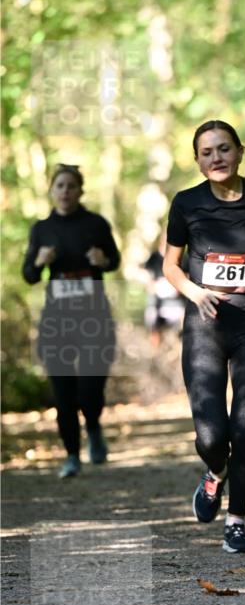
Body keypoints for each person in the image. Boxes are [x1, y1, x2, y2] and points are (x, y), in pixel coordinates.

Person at [163, 120, 245, 554]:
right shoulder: (186, 203)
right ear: (197, 160)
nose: (216, 157)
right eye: (207, 152)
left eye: (224, 149)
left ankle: (236, 521)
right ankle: (214, 473)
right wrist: (196, 293)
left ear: (239, 151)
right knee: (212, 437)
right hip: (205, 325)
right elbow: (170, 266)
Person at [22, 164, 121, 479]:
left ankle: (93, 426)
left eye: (71, 186)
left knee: (90, 390)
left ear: (80, 191)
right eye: (60, 186)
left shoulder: (95, 224)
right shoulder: (41, 229)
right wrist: (40, 261)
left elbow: (114, 261)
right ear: (51, 191)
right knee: (63, 393)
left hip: (94, 318)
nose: (65, 191)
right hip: (57, 322)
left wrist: (102, 261)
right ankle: (71, 456)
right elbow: (29, 275)